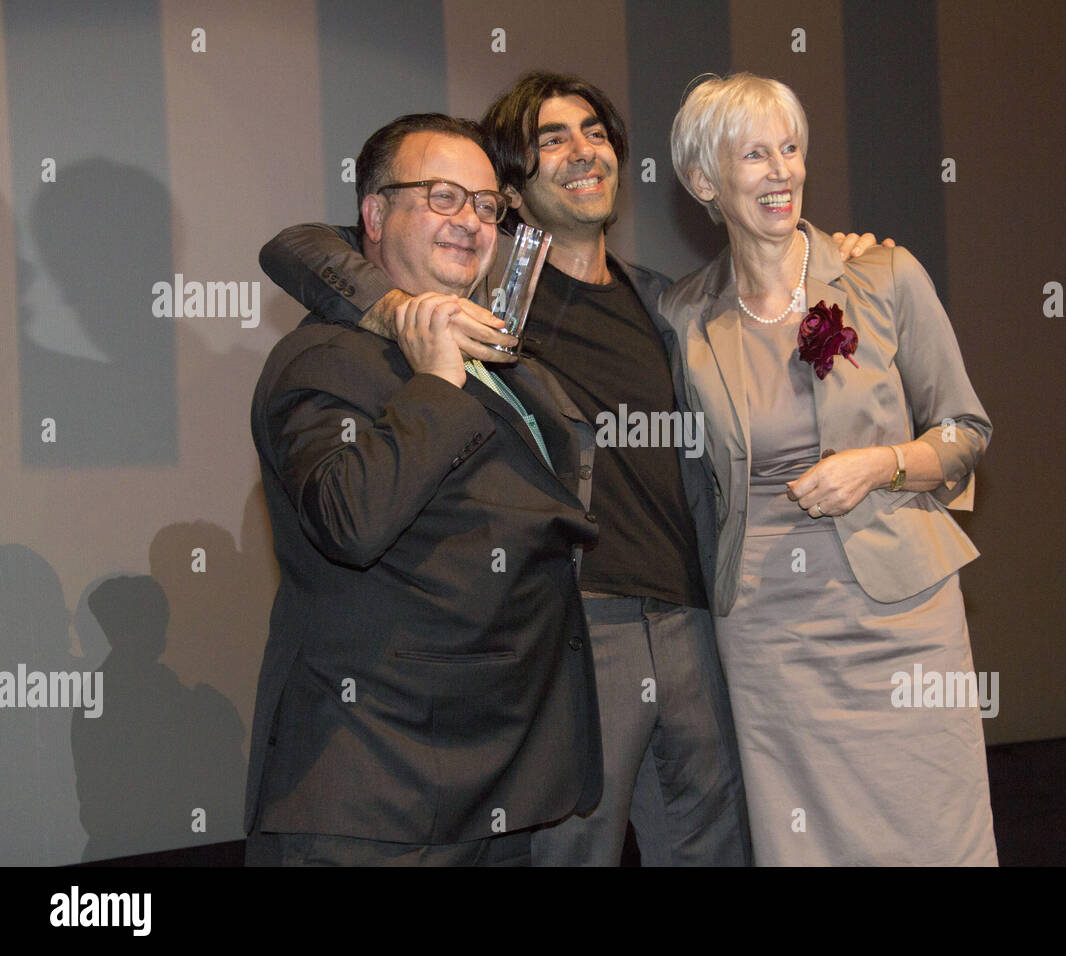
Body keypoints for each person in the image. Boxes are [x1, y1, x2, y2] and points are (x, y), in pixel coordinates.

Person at [258, 71, 881, 866]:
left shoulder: (672, 305)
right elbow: (301, 247)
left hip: (691, 620)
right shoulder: (486, 299)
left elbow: (777, 286)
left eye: (596, 133)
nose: (584, 151)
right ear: (512, 191)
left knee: (714, 848)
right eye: (552, 139)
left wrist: (839, 260)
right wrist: (391, 306)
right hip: (579, 627)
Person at [245, 113, 601, 866]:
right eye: (442, 197)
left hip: (492, 784)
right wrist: (437, 380)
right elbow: (350, 520)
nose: (470, 221)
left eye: (484, 204)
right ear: (374, 216)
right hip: (377, 791)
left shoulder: (497, 355)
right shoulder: (323, 359)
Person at [661, 73, 998, 865]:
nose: (782, 171)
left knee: (937, 834)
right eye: (754, 154)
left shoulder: (882, 275)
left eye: (791, 148)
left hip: (903, 620)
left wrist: (881, 463)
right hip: (771, 636)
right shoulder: (683, 317)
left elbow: (967, 430)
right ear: (704, 181)